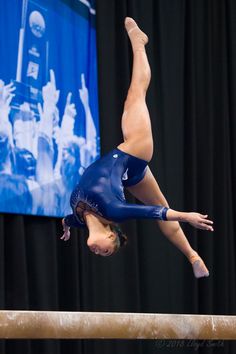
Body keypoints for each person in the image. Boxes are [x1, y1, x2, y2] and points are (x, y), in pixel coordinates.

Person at [61, 17, 213, 278]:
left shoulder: (77, 218)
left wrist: (65, 226)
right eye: (108, 251)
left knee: (136, 96)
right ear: (111, 233)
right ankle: (139, 44)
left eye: (101, 254)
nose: (100, 253)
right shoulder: (113, 212)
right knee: (136, 92)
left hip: (129, 174)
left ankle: (193, 257)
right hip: (134, 150)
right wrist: (187, 216)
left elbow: (67, 220)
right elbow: (153, 212)